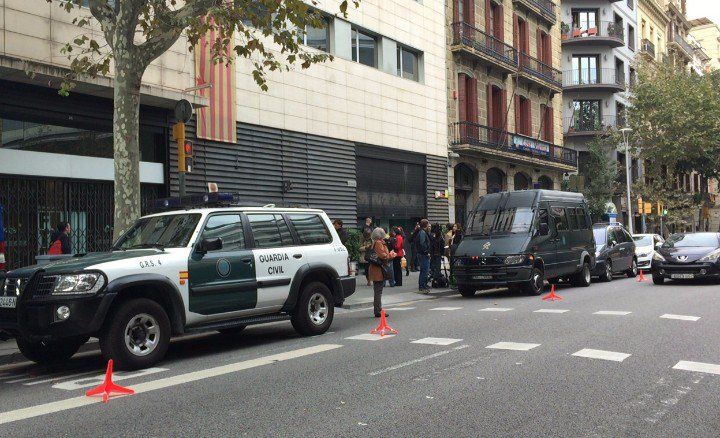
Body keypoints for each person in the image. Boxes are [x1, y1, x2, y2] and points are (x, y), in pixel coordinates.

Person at [368, 227, 395, 317]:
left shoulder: (376, 242)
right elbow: (383, 256)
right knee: (378, 291)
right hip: (378, 269)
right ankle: (378, 310)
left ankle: (377, 308)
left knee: (378, 290)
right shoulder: (379, 243)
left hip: (376, 268)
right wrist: (391, 255)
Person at [416, 219, 431, 294]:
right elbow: (422, 243)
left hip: (422, 254)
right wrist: (426, 252)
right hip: (423, 254)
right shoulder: (422, 233)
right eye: (428, 224)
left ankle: (423, 285)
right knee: (424, 270)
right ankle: (422, 286)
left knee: (424, 270)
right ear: (425, 225)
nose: (429, 225)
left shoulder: (422, 232)